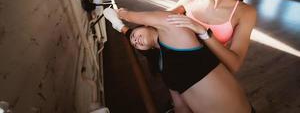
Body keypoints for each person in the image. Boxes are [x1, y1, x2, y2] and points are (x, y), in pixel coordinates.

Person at [103, 7, 254, 113]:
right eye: (134, 43)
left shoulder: (172, 27)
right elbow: (181, 105)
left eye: (135, 35)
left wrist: (119, 15)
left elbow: (132, 19)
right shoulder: (164, 66)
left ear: (147, 25)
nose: (135, 40)